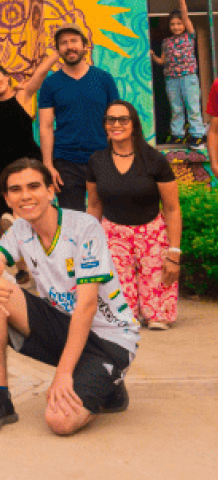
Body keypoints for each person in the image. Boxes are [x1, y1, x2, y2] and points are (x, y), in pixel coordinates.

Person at [0, 159, 139, 434]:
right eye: (16, 189)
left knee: (59, 421)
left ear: (50, 191)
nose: (25, 196)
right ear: (8, 199)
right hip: (64, 326)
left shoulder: (84, 227)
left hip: (109, 339)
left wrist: (63, 374)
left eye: (33, 186)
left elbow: (87, 306)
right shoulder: (19, 230)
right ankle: (0, 397)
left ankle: (109, 386)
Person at [86, 101, 182, 331]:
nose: (116, 124)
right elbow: (94, 205)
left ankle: (153, 311)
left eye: (123, 119)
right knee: (122, 315)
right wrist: (90, 245)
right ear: (105, 124)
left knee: (158, 316)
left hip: (152, 235)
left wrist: (174, 254)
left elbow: (172, 209)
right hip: (113, 236)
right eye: (111, 120)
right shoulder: (96, 161)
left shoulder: (154, 160)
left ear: (134, 124)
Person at [38, 26, 120, 212]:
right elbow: (46, 126)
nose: (69, 46)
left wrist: (118, 155)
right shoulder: (50, 84)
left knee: (106, 214)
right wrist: (48, 164)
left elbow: (116, 120)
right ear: (58, 50)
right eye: (64, 43)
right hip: (66, 161)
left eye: (74, 41)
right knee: (72, 217)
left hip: (102, 157)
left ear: (84, 46)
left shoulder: (104, 79)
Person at [0, 48, 59, 183]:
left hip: (30, 161)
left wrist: (58, 52)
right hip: (5, 165)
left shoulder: (23, 95)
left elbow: (41, 72)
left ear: (7, 77)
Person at [150, 0, 206, 149]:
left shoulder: (189, 35)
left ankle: (197, 135)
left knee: (192, 107)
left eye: (179, 23)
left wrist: (181, 0)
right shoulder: (166, 42)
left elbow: (186, 16)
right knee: (176, 109)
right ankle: (178, 135)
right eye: (172, 24)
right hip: (171, 79)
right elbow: (163, 61)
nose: (176, 26)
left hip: (188, 77)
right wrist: (153, 56)